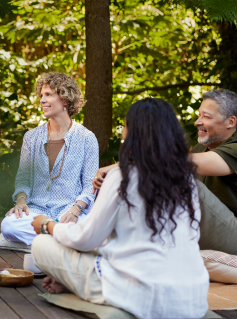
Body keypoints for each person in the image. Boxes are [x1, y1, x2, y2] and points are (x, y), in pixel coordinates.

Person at [31, 98, 209, 319]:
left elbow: (86, 238)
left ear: (133, 134)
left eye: (125, 126)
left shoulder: (122, 176)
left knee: (41, 244)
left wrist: (48, 226)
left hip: (142, 297)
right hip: (193, 300)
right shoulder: (187, 180)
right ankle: (71, 281)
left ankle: (83, 287)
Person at [94, 89, 237, 260]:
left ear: (230, 122)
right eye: (199, 115)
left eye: (206, 117)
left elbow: (177, 163)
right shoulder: (200, 148)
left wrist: (121, 167)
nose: (197, 122)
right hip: (212, 235)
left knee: (179, 178)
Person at [0, 72, 99, 247]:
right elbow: (23, 179)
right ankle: (60, 239)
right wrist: (21, 200)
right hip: (36, 211)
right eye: (41, 95)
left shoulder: (86, 138)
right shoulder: (31, 137)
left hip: (69, 211)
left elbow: (90, 184)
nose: (42, 100)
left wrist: (76, 210)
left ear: (65, 100)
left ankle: (47, 239)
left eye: (48, 95)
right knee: (8, 225)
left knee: (85, 227)